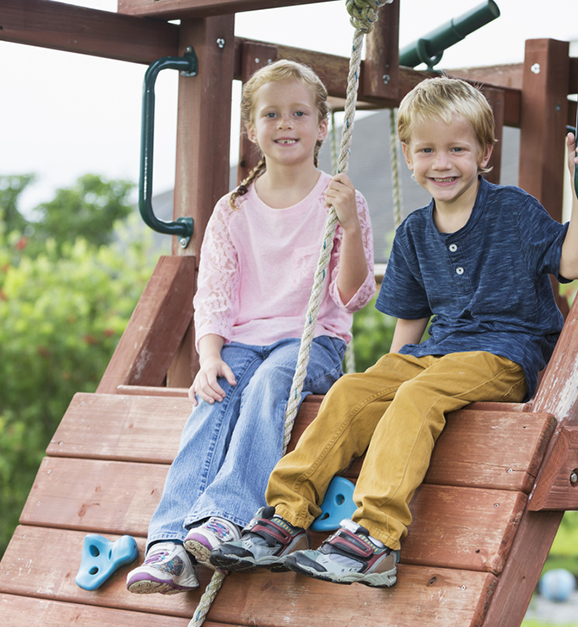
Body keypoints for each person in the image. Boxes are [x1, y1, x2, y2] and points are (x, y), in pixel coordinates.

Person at [210, 76, 578, 589]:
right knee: (353, 390)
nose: (442, 163)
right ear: (407, 155)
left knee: (418, 395)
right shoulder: (415, 232)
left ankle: (376, 536)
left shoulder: (513, 209)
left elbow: (572, 263)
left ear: (484, 153)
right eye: (427, 150)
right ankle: (286, 515)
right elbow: (409, 329)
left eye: (457, 149)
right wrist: (381, 388)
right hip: (439, 353)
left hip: (507, 353)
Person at [125, 59, 375, 594]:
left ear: (322, 126)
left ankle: (227, 516)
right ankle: (169, 543)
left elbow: (352, 296)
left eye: (299, 113)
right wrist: (209, 356)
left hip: (311, 342)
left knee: (266, 387)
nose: (285, 124)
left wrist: (351, 227)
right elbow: (215, 292)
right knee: (213, 398)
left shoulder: (341, 200)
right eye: (271, 114)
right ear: (251, 128)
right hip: (242, 341)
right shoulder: (233, 209)